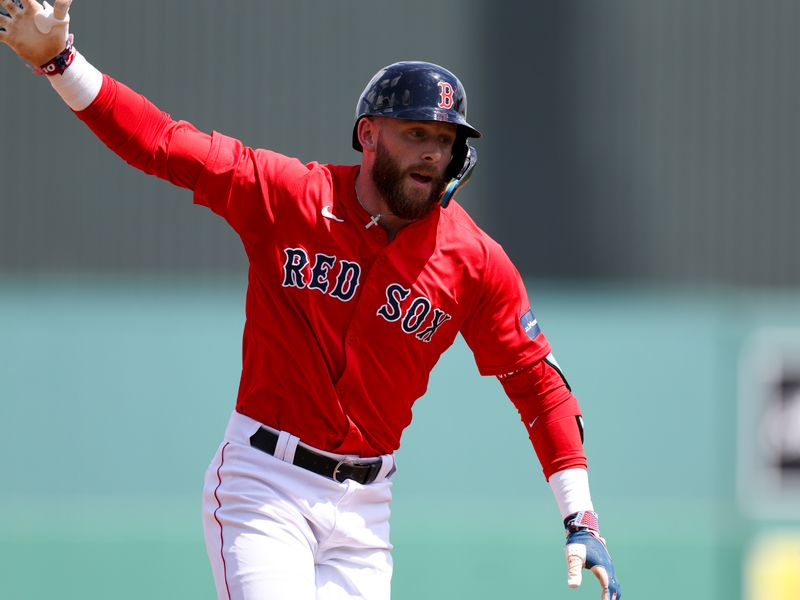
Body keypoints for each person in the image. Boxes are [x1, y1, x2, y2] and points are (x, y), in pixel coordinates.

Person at [0, 1, 622, 599]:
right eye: (416, 133)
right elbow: (164, 143)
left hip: (366, 513)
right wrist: (61, 63)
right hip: (266, 485)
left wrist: (580, 519)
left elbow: (537, 382)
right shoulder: (289, 194)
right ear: (369, 133)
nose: (435, 152)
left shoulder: (476, 262)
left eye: (446, 139)